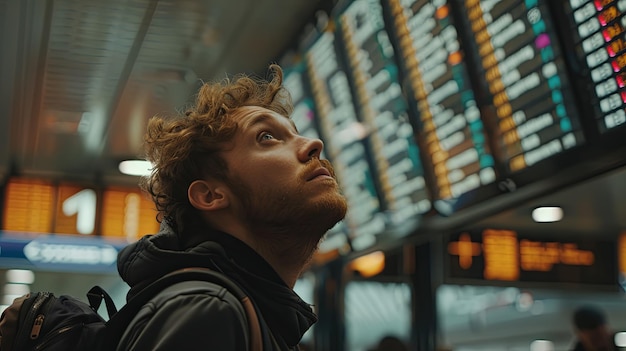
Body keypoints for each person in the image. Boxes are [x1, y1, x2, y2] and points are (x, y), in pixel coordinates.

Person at [115, 64, 348, 350]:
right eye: (267, 137)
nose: (314, 144)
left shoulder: (244, 311)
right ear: (210, 195)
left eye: (296, 133)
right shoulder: (211, 311)